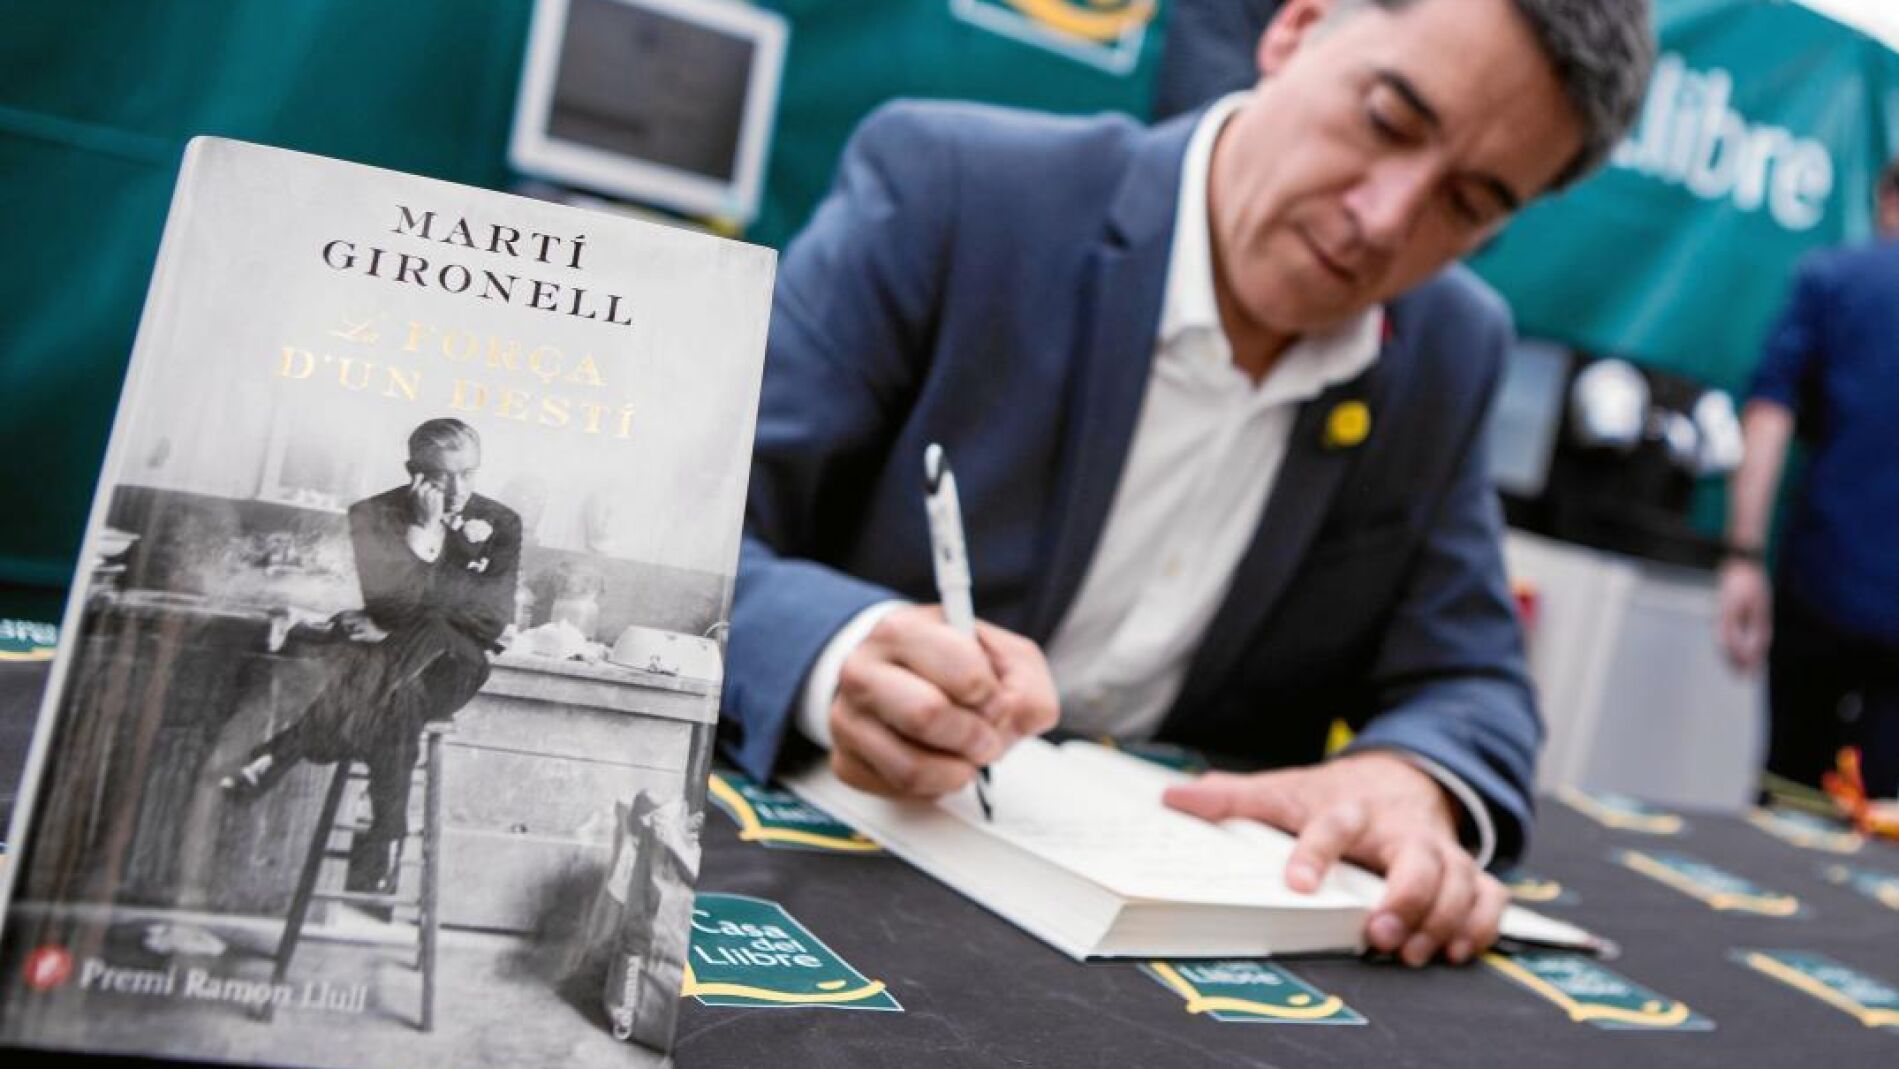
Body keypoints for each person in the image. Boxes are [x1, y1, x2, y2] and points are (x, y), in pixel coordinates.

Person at [724, 0, 1652, 966]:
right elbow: (678, 531)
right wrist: (837, 653)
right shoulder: (952, 190)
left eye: (1465, 205)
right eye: (1386, 119)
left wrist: (1412, 778)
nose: (1384, 220)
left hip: (1156, 961)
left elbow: (1471, 676)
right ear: (1295, 29)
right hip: (818, 879)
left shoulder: (1447, 349)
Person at [223, 418, 522, 893]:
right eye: (443, 476)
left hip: (454, 666)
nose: (458, 489)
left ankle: (289, 746)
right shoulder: (372, 514)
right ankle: (383, 844)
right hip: (396, 677)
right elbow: (389, 606)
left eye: (469, 473)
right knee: (397, 706)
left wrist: (413, 590)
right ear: (414, 472)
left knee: (422, 639)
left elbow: (490, 621)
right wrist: (423, 530)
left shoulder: (502, 522)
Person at [1717, 161, 1899, 802]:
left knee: (1791, 789)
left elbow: (1768, 418)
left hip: (1824, 583)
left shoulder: (1832, 278)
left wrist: (1742, 556)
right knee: (1886, 816)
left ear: (1887, 199)